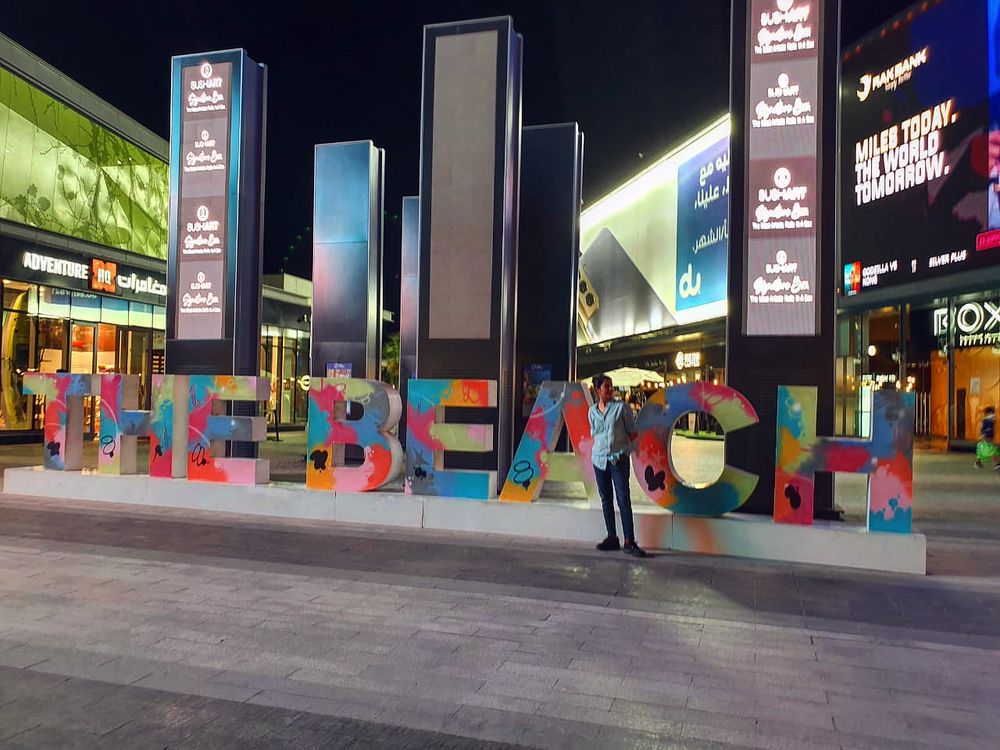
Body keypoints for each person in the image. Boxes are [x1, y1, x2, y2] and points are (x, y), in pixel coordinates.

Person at [588, 373, 646, 557]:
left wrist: (626, 451)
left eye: (611, 386)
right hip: (599, 460)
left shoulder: (622, 408)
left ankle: (629, 540)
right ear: (597, 390)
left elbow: (633, 433)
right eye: (606, 386)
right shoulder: (592, 412)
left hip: (618, 460)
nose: (610, 390)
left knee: (623, 499)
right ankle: (612, 537)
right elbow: (595, 433)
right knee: (606, 499)